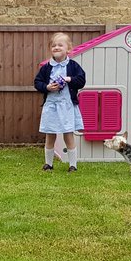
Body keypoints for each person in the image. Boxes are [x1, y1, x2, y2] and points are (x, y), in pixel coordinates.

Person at [34, 32, 87, 172]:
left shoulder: (73, 66)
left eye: (60, 45)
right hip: (51, 105)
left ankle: (73, 165)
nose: (56, 47)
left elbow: (81, 81)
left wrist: (69, 79)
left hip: (67, 106)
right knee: (50, 134)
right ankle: (48, 164)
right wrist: (47, 87)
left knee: (68, 134)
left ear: (68, 49)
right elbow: (37, 82)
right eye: (53, 45)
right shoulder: (46, 67)